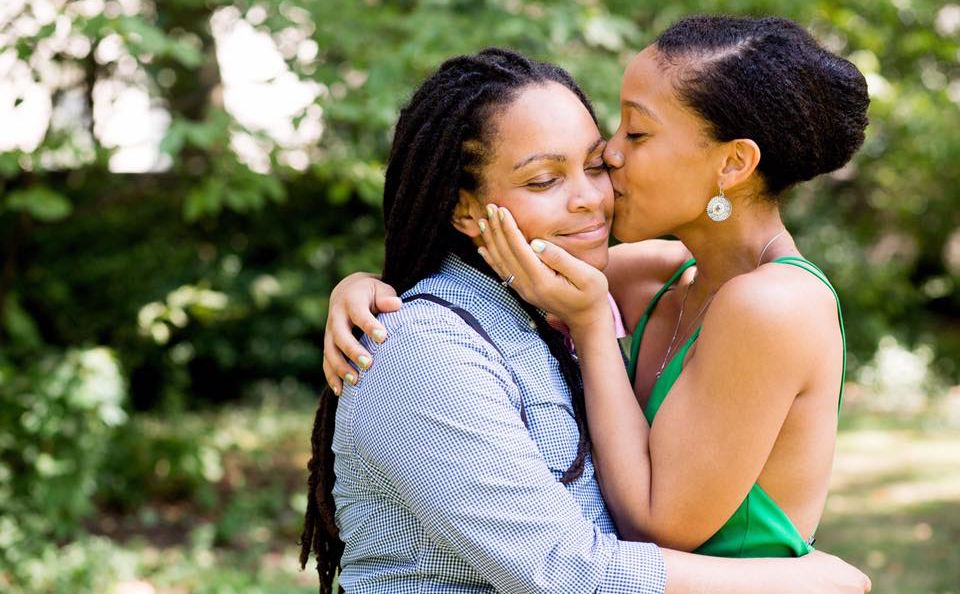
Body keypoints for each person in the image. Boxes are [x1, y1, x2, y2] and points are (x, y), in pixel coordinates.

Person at [302, 46, 870, 593]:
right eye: (545, 179)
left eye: (614, 150)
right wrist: (366, 289)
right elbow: (568, 568)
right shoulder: (628, 283)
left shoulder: (749, 301)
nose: (603, 178)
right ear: (464, 207)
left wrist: (594, 321)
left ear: (733, 163)